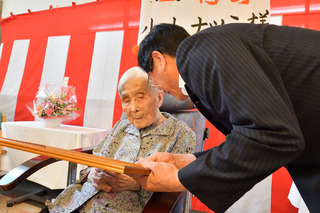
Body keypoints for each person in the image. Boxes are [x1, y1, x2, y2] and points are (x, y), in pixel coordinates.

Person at [133, 23, 320, 213]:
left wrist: (177, 178)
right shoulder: (206, 53)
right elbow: (254, 135)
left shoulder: (194, 52)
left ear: (158, 59)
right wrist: (188, 162)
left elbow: (271, 134)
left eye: (151, 79)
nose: (157, 87)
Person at [41, 66, 195, 213]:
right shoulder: (121, 127)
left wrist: (138, 184)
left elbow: (181, 182)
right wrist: (92, 174)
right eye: (126, 100)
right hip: (75, 202)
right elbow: (96, 160)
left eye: (140, 97)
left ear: (159, 98)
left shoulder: (180, 133)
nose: (133, 108)